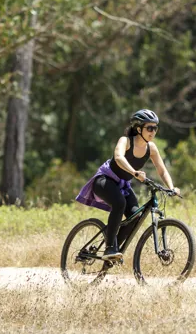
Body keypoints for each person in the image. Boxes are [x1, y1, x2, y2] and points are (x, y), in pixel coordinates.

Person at [75, 109, 180, 260]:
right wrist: (134, 172)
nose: (153, 132)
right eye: (149, 128)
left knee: (135, 216)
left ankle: (114, 254)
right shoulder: (125, 141)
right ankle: (110, 248)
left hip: (122, 185)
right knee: (119, 203)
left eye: (155, 128)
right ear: (139, 129)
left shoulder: (151, 148)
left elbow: (162, 170)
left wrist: (171, 187)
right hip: (104, 180)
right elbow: (119, 158)